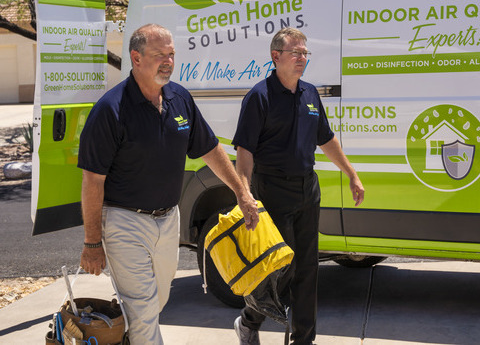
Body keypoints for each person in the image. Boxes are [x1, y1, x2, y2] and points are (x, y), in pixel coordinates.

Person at [78, 24, 258, 344]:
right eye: (160, 54)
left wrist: (241, 192)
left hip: (168, 220)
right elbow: (93, 181)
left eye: (172, 54)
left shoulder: (179, 98)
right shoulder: (110, 110)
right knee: (144, 310)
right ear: (136, 58)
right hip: (124, 221)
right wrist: (92, 242)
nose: (168, 61)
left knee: (156, 302)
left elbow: (210, 149)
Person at [232, 27, 364, 345]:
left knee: (308, 268)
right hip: (272, 190)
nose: (302, 58)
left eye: (305, 53)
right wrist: (245, 195)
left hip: (308, 189)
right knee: (281, 269)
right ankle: (249, 320)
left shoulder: (309, 93)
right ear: (276, 57)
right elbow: (244, 152)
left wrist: (351, 173)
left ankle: (304, 339)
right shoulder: (259, 97)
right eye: (296, 53)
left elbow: (326, 138)